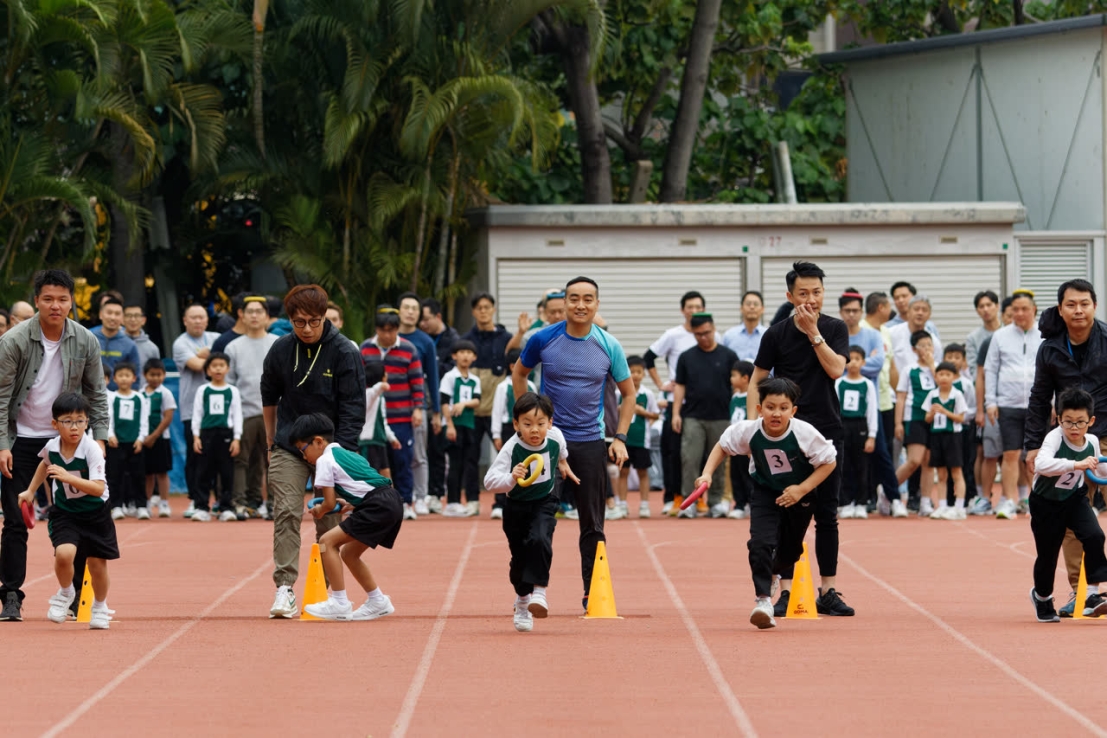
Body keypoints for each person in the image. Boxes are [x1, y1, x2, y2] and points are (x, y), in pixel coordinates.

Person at [514, 276, 636, 611]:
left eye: (587, 299)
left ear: (597, 304)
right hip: (548, 443)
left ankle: (591, 592)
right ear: (564, 303)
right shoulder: (543, 339)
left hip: (590, 442)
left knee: (593, 523)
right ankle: (536, 591)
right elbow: (519, 373)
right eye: (574, 298)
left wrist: (620, 437)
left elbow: (628, 394)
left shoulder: (609, 345)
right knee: (540, 520)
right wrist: (525, 424)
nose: (580, 305)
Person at [0, 270, 109, 622]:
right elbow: (1, 397)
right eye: (48, 299)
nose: (55, 306)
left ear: (71, 302)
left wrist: (100, 439)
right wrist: (2, 445)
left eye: (62, 299)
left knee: (79, 517)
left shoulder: (85, 340)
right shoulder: (14, 341)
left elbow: (96, 393)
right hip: (20, 439)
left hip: (68, 440)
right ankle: (11, 596)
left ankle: (75, 596)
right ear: (36, 301)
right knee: (15, 519)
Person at [748, 261, 854, 618]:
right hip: (784, 435)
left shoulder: (834, 328)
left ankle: (828, 590)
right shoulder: (775, 334)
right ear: (790, 296)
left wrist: (814, 333)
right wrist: (756, 425)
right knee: (788, 514)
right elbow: (757, 379)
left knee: (827, 515)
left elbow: (836, 369)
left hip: (826, 431)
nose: (811, 299)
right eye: (803, 293)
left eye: (817, 292)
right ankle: (785, 591)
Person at [695, 377, 838, 629]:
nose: (776, 413)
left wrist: (801, 489)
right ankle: (763, 601)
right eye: (770, 407)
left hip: (799, 495)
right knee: (760, 543)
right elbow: (722, 446)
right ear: (760, 409)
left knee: (791, 552)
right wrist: (707, 473)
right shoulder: (748, 431)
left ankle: (772, 573)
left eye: (783, 408)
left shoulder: (805, 433)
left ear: (793, 411)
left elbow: (829, 462)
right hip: (765, 491)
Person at [261, 284, 365, 618]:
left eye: (314, 321)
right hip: (289, 446)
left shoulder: (345, 351)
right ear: (290, 319)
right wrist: (270, 441)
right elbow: (268, 397)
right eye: (299, 322)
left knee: (330, 518)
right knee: (286, 511)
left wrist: (340, 458)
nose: (306, 329)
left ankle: (331, 593)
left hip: (331, 450)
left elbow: (353, 409)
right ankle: (284, 589)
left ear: (324, 317)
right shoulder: (280, 349)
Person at [1025, 279, 1107, 616]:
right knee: (1075, 512)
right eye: (1071, 305)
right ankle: (1083, 592)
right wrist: (1033, 445)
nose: (1078, 310)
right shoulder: (1050, 349)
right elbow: (1039, 398)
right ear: (1060, 309)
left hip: (1103, 433)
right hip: (1070, 439)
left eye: (1084, 304)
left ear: (1094, 306)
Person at [18, 392, 116, 629]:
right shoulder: (52, 447)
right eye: (68, 421)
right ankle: (66, 593)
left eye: (80, 421)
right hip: (65, 512)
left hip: (95, 512)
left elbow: (97, 488)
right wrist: (30, 491)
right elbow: (44, 463)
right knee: (63, 555)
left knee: (96, 565)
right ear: (55, 424)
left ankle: (100, 607)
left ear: (87, 422)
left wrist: (67, 477)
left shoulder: (92, 449)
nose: (74, 427)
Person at [293, 413, 402, 622]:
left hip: (377, 505)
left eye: (303, 450)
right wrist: (351, 505)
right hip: (390, 500)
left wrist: (321, 510)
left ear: (318, 442)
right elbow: (371, 485)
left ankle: (339, 603)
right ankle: (377, 600)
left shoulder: (324, 460)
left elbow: (328, 503)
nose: (304, 457)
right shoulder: (350, 454)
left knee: (326, 542)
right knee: (350, 553)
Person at [484, 392, 575, 632]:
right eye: (527, 424)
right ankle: (522, 601)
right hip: (517, 507)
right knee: (519, 560)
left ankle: (540, 593)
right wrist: (511, 478)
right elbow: (489, 481)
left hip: (545, 501)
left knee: (541, 538)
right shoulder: (511, 448)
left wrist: (563, 463)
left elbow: (562, 451)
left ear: (550, 423)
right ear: (516, 424)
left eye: (540, 424)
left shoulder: (555, 436)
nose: (535, 430)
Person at [1027, 388, 1107, 622]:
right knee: (1048, 555)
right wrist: (1075, 464)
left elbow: (1099, 470)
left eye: (1080, 422)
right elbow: (1041, 464)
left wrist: (1094, 467)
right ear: (1059, 419)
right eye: (1068, 422)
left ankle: (1091, 594)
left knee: (1094, 536)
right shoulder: (1055, 437)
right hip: (1045, 502)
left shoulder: (1092, 441)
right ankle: (1042, 597)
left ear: (1091, 421)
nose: (1074, 428)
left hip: (1074, 498)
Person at [645, 290, 708, 512]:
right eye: (690, 307)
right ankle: (672, 497)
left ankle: (699, 497)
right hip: (676, 402)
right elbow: (648, 357)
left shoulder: (710, 335)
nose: (694, 311)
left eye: (698, 307)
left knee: (700, 452)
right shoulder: (673, 335)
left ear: (704, 310)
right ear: (683, 310)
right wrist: (661, 385)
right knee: (673, 451)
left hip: (701, 402)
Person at [672, 313, 738, 518]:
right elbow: (680, 386)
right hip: (693, 416)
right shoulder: (686, 357)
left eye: (707, 333)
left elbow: (737, 385)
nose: (703, 337)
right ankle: (690, 501)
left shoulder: (728, 355)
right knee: (690, 459)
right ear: (693, 333)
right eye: (698, 334)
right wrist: (676, 413)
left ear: (714, 329)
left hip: (721, 416)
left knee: (718, 461)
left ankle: (716, 501)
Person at [361, 307, 424, 520]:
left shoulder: (408, 349)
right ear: (376, 329)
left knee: (402, 461)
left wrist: (418, 409)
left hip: (401, 415)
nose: (387, 334)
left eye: (391, 330)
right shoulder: (365, 348)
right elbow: (358, 381)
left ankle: (406, 502)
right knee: (373, 464)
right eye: (383, 330)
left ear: (397, 329)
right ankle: (375, 504)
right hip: (372, 419)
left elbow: (417, 381)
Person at [985, 288, 1042, 520]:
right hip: (1007, 404)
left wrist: (1053, 402)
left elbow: (1054, 369)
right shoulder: (1000, 336)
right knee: (1010, 454)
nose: (1019, 313)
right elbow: (990, 369)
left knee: (1036, 456)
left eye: (1024, 309)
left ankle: (1037, 501)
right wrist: (990, 402)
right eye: (1015, 309)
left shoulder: (1045, 335)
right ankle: (1009, 500)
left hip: (1038, 405)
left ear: (1034, 310)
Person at [225, 295, 279, 519]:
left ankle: (274, 505)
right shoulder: (233, 347)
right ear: (242, 316)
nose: (254, 316)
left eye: (259, 311)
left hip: (274, 413)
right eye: (250, 312)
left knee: (274, 461)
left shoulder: (279, 343)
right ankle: (241, 503)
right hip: (244, 413)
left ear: (267, 316)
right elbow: (228, 384)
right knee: (242, 460)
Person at [462, 292, 512, 517]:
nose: (483, 311)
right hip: (472, 412)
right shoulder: (466, 340)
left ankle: (501, 503)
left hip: (497, 412)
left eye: (487, 307)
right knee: (470, 458)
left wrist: (521, 333)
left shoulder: (505, 338)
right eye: (479, 308)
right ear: (474, 312)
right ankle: (472, 500)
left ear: (493, 309)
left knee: (504, 456)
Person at [172, 304, 220, 517]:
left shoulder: (216, 337)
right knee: (195, 456)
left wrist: (205, 354)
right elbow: (198, 365)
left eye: (201, 317)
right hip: (192, 411)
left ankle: (220, 499)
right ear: (185, 320)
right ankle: (195, 499)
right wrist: (212, 355)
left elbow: (223, 363)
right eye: (193, 317)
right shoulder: (180, 343)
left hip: (219, 410)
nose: (198, 321)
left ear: (207, 320)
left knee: (219, 456)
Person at [860, 291, 901, 516]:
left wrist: (898, 394)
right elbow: (862, 365)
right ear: (881, 308)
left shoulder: (885, 332)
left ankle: (886, 497)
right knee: (871, 452)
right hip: (866, 401)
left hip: (886, 400)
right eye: (889, 306)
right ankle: (872, 496)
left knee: (885, 452)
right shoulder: (861, 330)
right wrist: (871, 362)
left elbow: (888, 365)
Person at [191, 352, 242, 522]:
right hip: (206, 435)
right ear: (208, 370)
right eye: (214, 366)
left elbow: (237, 415)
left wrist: (236, 438)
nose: (218, 369)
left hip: (226, 435)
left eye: (221, 365)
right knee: (203, 472)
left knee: (226, 473)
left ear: (227, 369)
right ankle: (201, 507)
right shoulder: (203, 390)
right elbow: (197, 414)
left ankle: (226, 507)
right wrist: (196, 437)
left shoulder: (232, 391)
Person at [419, 297, 459, 513]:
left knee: (437, 449)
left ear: (438, 316)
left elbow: (452, 369)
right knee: (418, 451)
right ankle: (419, 494)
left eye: (426, 319)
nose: (422, 324)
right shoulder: (419, 338)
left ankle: (436, 493)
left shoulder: (453, 339)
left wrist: (432, 367)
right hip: (419, 400)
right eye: (420, 320)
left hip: (441, 402)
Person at [894, 331, 937, 517]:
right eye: (923, 345)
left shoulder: (938, 368)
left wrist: (932, 366)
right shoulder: (909, 370)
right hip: (914, 417)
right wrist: (898, 423)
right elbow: (901, 397)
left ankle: (925, 502)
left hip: (934, 419)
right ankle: (890, 492)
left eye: (929, 345)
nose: (927, 349)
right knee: (914, 461)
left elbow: (944, 386)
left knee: (929, 462)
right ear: (914, 349)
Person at [441, 339, 482, 517]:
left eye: (469, 353)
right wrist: (449, 425)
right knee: (455, 464)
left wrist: (463, 404)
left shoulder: (474, 379)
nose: (465, 356)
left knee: (468, 463)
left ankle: (468, 501)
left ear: (474, 357)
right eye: (462, 352)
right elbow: (444, 402)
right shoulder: (450, 377)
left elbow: (477, 400)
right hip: (454, 425)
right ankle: (452, 502)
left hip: (469, 425)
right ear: (454, 356)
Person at [835, 347, 877, 519]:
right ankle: (845, 503)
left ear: (863, 362)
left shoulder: (867, 384)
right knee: (844, 466)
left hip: (860, 426)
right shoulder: (839, 383)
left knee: (862, 467)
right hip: (843, 425)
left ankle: (861, 503)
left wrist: (872, 436)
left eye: (857, 359)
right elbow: (835, 408)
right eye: (850, 359)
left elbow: (872, 410)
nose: (853, 363)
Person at [923, 361, 968, 520]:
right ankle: (942, 506)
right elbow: (927, 418)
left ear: (954, 377)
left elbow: (961, 418)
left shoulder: (957, 395)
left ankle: (959, 507)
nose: (944, 378)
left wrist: (944, 411)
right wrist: (932, 414)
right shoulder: (932, 395)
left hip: (953, 436)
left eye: (947, 375)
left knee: (956, 472)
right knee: (941, 473)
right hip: (937, 436)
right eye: (941, 374)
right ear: (936, 377)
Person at [105, 362, 148, 521]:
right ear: (115, 379)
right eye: (120, 376)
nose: (124, 379)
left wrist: (141, 439)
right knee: (115, 475)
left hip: (135, 444)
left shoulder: (139, 398)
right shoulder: (112, 397)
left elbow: (144, 420)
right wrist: (110, 435)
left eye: (127, 375)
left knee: (138, 476)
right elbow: (108, 417)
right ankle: (116, 506)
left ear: (134, 378)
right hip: (116, 443)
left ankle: (141, 506)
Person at [621, 356, 659, 518]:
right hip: (623, 440)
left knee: (643, 472)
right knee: (623, 471)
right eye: (632, 371)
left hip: (642, 441)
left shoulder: (647, 394)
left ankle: (644, 504)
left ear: (643, 374)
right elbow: (612, 411)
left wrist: (643, 412)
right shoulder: (619, 392)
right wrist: (623, 408)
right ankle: (622, 504)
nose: (635, 375)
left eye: (639, 372)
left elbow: (656, 414)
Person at [943, 343, 977, 506]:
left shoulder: (966, 384)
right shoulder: (940, 383)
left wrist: (959, 418)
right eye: (949, 357)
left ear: (963, 361)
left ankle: (968, 498)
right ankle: (948, 499)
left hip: (964, 430)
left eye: (957, 357)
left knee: (965, 463)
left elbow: (972, 408)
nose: (953, 360)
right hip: (945, 431)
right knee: (947, 465)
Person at [141, 359, 175, 518]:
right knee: (147, 474)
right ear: (145, 375)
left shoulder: (165, 393)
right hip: (143, 439)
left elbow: (168, 417)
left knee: (162, 473)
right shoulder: (140, 394)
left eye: (159, 375)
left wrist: (154, 436)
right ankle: (146, 503)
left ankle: (164, 503)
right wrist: (144, 437)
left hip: (161, 439)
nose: (155, 378)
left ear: (164, 375)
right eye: (152, 375)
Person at [358, 359, 399, 480]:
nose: (387, 375)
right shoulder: (368, 394)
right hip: (369, 443)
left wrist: (392, 438)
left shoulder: (380, 397)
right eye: (385, 373)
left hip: (380, 442)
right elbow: (374, 391)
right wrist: (381, 385)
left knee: (387, 476)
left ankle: (391, 493)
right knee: (371, 477)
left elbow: (383, 422)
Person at [92, 296, 141, 391]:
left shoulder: (130, 345)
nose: (113, 317)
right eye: (109, 313)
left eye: (117, 314)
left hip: (119, 396)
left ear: (122, 318)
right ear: (101, 314)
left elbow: (135, 377)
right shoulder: (89, 339)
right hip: (91, 395)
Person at [492, 349, 536, 452]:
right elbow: (497, 412)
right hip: (508, 428)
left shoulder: (531, 386)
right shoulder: (503, 387)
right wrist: (496, 435)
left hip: (528, 427)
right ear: (512, 367)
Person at [727, 360, 754, 520]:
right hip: (735, 444)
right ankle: (739, 504)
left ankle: (751, 503)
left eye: (734, 375)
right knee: (735, 475)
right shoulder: (735, 397)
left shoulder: (753, 397)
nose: (731, 378)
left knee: (748, 474)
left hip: (747, 444)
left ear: (745, 378)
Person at [722, 291, 766, 361]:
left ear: (762, 309)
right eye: (748, 304)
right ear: (741, 308)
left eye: (756, 304)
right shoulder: (729, 335)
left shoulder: (768, 335)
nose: (752, 307)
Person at [966, 290, 1001, 368]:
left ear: (997, 306)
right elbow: (973, 367)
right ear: (977, 311)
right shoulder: (972, 338)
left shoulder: (1008, 332)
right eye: (981, 306)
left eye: (989, 305)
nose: (985, 309)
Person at [122, 303, 161, 373]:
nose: (133, 319)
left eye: (137, 316)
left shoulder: (152, 349)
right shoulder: (115, 343)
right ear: (122, 319)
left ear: (143, 320)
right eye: (129, 316)